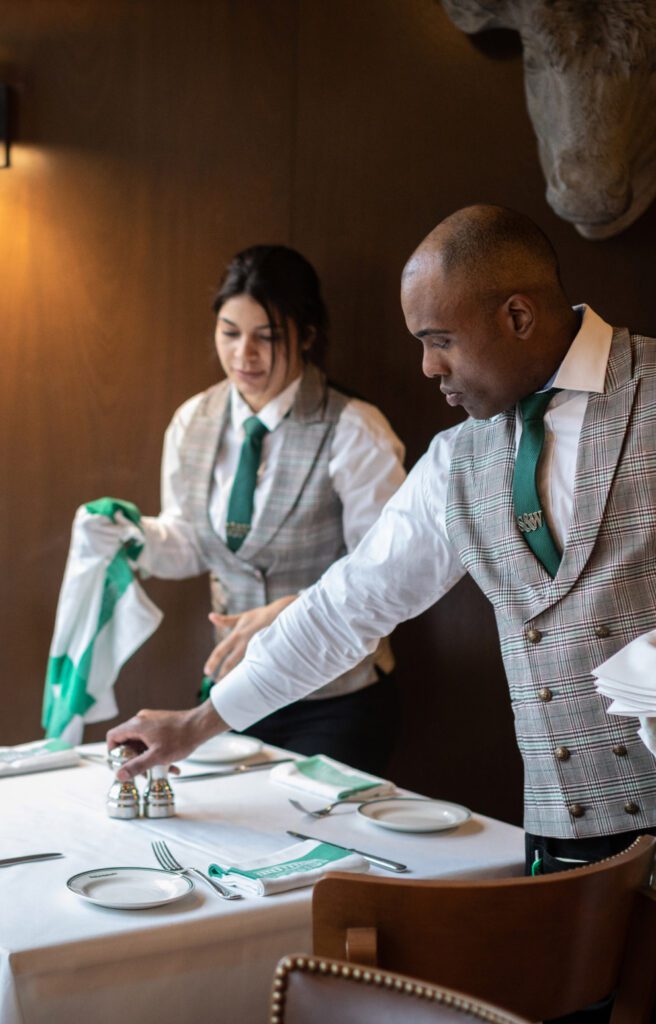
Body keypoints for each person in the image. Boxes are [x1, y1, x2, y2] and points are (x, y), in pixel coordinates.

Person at [108, 206, 656, 879]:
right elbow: (346, 608)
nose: (427, 366)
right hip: (563, 834)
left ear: (517, 317)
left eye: (441, 339)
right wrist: (197, 725)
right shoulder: (457, 461)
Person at [84, 244, 406, 770]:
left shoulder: (355, 429)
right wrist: (130, 535)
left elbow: (387, 575)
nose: (244, 356)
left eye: (267, 337)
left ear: (306, 336)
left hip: (335, 700)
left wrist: (290, 612)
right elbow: (190, 541)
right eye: (230, 333)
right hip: (233, 692)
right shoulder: (193, 420)